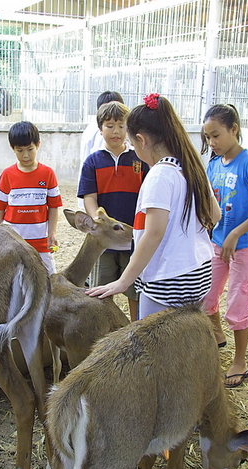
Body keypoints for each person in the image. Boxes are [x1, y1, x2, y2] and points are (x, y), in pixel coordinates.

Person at [86, 93, 221, 319]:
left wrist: (124, 281)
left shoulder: (160, 174)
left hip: (168, 280)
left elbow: (154, 233)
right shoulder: (190, 165)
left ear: (142, 140)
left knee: (152, 349)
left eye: (132, 142)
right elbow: (214, 216)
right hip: (199, 274)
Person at [200, 104, 248, 388]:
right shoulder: (213, 164)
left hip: (244, 247)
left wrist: (236, 233)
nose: (211, 143)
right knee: (207, 297)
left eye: (216, 135)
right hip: (217, 243)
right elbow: (211, 202)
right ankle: (218, 334)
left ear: (234, 129)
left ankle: (240, 360)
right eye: (207, 137)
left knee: (237, 304)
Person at [78, 101, 148, 321]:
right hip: (104, 241)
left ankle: (136, 327)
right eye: (109, 125)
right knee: (100, 289)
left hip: (133, 237)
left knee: (135, 290)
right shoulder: (93, 161)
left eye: (121, 125)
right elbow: (89, 197)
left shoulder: (140, 159)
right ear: (100, 129)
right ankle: (101, 328)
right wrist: (98, 221)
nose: (116, 131)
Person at [0, 121, 63, 274]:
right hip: (12, 242)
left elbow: (53, 207)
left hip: (40, 243)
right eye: (20, 150)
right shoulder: (7, 175)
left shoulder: (48, 174)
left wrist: (52, 233)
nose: (25, 155)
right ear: (12, 149)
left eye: (30, 149)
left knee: (48, 280)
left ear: (38, 144)